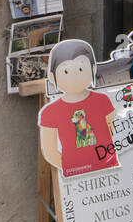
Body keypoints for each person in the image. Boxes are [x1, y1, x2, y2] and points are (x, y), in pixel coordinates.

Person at [38, 39, 119, 178]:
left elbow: (117, 132)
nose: (74, 76)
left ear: (93, 69)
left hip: (110, 170)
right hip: (77, 180)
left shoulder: (102, 100)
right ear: (52, 77)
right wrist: (73, 169)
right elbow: (50, 151)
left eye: (81, 69)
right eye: (66, 71)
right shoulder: (49, 112)